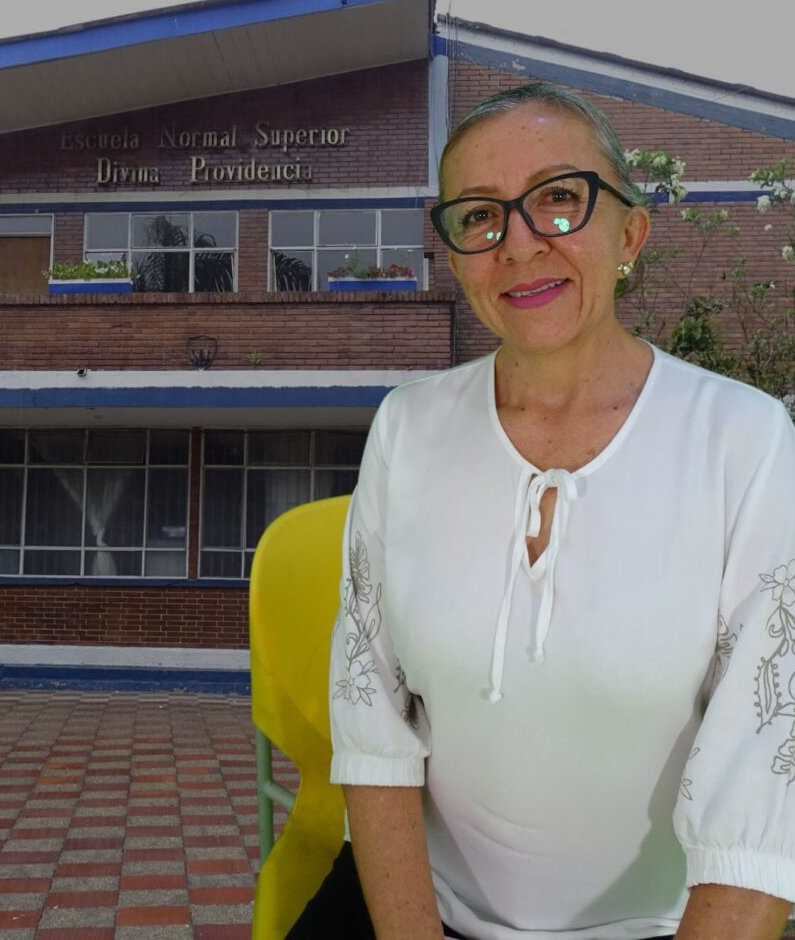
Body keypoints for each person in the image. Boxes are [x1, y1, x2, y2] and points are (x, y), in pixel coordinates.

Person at [287, 83, 795, 940]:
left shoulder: (744, 440)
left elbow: (767, 770)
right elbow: (372, 714)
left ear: (629, 233)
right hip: (416, 906)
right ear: (455, 256)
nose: (518, 244)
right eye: (479, 216)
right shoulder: (407, 427)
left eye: (559, 198)